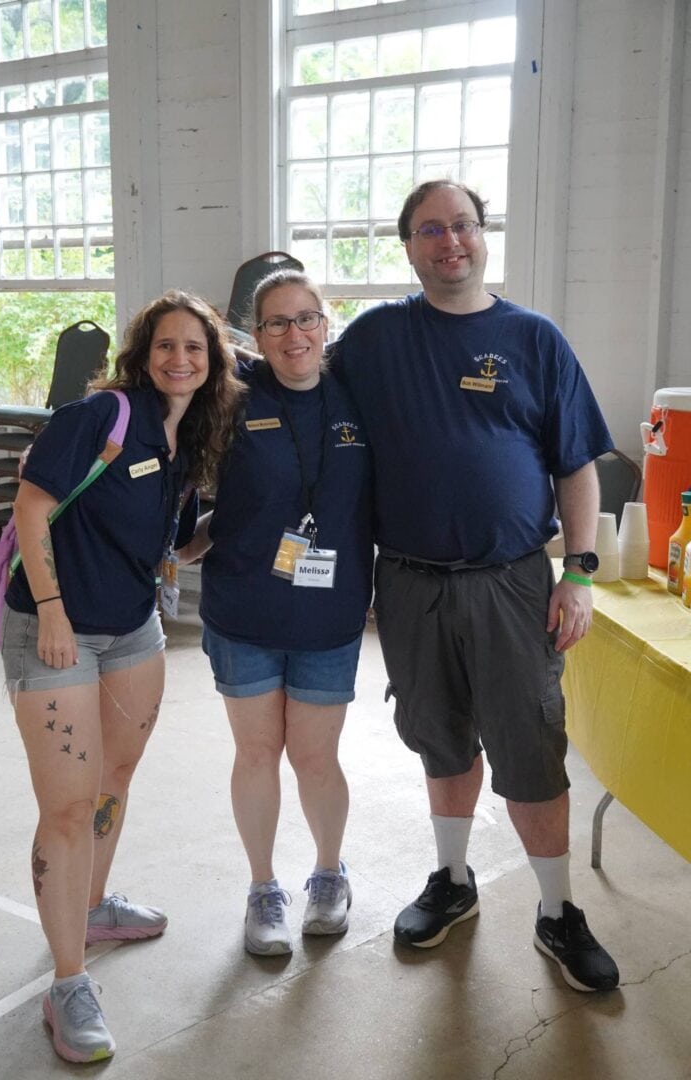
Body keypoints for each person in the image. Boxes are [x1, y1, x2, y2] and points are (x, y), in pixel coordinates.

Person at [330, 180, 620, 993]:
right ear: (408, 245)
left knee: (530, 747)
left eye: (461, 226)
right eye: (430, 230)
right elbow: (295, 379)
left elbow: (576, 464)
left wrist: (582, 572)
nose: (447, 242)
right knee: (440, 737)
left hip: (512, 584)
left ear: (483, 234)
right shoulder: (377, 337)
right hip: (411, 584)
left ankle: (558, 912)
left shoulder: (534, 339)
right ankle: (452, 882)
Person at [2, 290, 243, 1062]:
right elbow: (31, 512)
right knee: (68, 807)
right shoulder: (100, 417)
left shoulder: (186, 441)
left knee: (117, 774)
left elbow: (172, 547)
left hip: (134, 627)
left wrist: (246, 518)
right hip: (56, 629)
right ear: (143, 355)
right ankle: (68, 982)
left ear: (212, 366)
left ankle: (95, 906)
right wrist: (52, 611)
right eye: (167, 346)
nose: (181, 359)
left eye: (196, 349)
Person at [200, 269, 373, 956]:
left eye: (306, 319)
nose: (294, 334)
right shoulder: (233, 401)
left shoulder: (362, 399)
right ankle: (263, 888)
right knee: (256, 752)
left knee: (314, 755)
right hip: (244, 609)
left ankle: (329, 874)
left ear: (326, 325)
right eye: (277, 323)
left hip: (329, 614)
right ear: (256, 335)